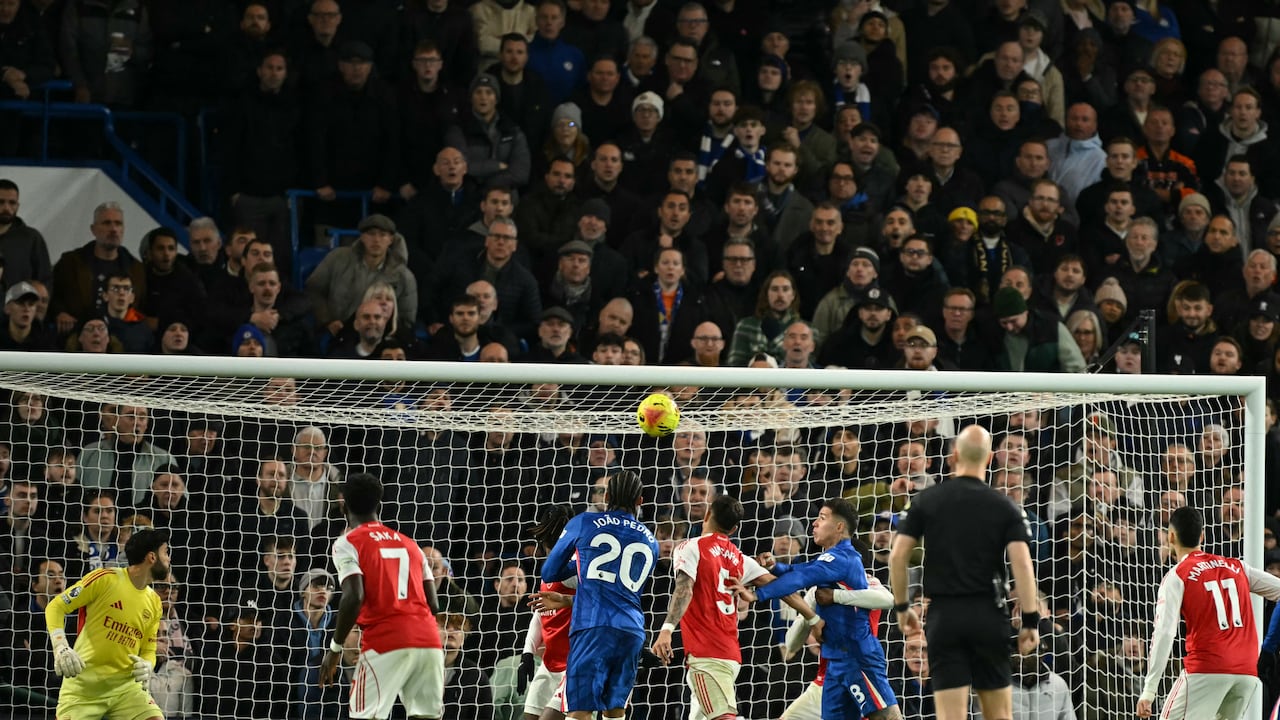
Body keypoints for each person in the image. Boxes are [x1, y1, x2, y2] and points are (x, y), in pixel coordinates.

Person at [888, 424, 1041, 720]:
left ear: (953, 456)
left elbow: (897, 556)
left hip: (945, 617)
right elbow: (1023, 564)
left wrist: (903, 606)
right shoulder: (1006, 506)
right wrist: (1030, 621)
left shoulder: (926, 501)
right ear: (990, 458)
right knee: (999, 715)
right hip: (988, 614)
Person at [650, 494, 813, 720]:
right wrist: (813, 618)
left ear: (707, 515)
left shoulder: (690, 547)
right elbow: (782, 588)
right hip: (730, 655)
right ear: (734, 529)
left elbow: (684, 589)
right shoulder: (741, 558)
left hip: (706, 655)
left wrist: (667, 629)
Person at [744, 497, 902, 720]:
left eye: (822, 518)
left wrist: (836, 596)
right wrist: (811, 616)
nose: (815, 524)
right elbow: (791, 645)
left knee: (887, 716)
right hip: (827, 679)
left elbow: (887, 599)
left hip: (856, 664)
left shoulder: (867, 583)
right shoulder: (818, 590)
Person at [533, 470, 658, 720]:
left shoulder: (584, 522)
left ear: (607, 495)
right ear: (640, 501)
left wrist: (580, 561)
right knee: (616, 710)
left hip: (593, 626)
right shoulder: (651, 540)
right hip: (632, 630)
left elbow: (549, 572)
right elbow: (621, 591)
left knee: (580, 709)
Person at [319, 472, 444, 720]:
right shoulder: (412, 545)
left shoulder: (347, 542)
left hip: (385, 640)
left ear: (343, 503)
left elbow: (354, 596)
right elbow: (434, 603)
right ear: (379, 504)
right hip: (429, 641)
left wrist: (335, 649)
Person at [1136, 506, 1280, 719]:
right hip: (1247, 673)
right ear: (1202, 535)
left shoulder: (1177, 576)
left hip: (1206, 669)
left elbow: (1164, 633)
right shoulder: (1237, 567)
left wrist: (1149, 690)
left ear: (1171, 537)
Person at [44, 527, 170, 720]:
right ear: (152, 557)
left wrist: (147, 665)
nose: (169, 559)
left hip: (127, 690)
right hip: (84, 688)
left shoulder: (154, 602)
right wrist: (60, 646)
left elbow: (148, 650)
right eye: (166, 552)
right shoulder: (105, 579)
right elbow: (55, 607)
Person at [517, 506, 575, 720]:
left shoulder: (576, 570)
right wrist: (527, 653)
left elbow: (598, 603)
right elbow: (542, 613)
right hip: (550, 664)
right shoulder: (551, 570)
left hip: (573, 666)